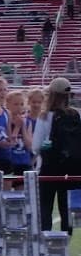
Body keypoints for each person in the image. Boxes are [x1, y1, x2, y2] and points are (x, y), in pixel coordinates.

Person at [32, 77, 81, 237]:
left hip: (49, 167)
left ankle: (46, 247)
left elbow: (36, 146)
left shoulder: (45, 116)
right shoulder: (76, 114)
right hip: (72, 168)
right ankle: (64, 247)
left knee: (45, 207)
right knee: (67, 208)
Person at [6, 91, 32, 178]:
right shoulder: (5, 120)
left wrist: (23, 126)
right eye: (16, 104)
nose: (19, 107)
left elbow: (29, 146)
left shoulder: (27, 121)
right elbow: (10, 143)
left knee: (22, 190)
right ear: (7, 105)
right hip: (10, 162)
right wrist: (17, 128)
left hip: (24, 162)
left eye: (21, 104)